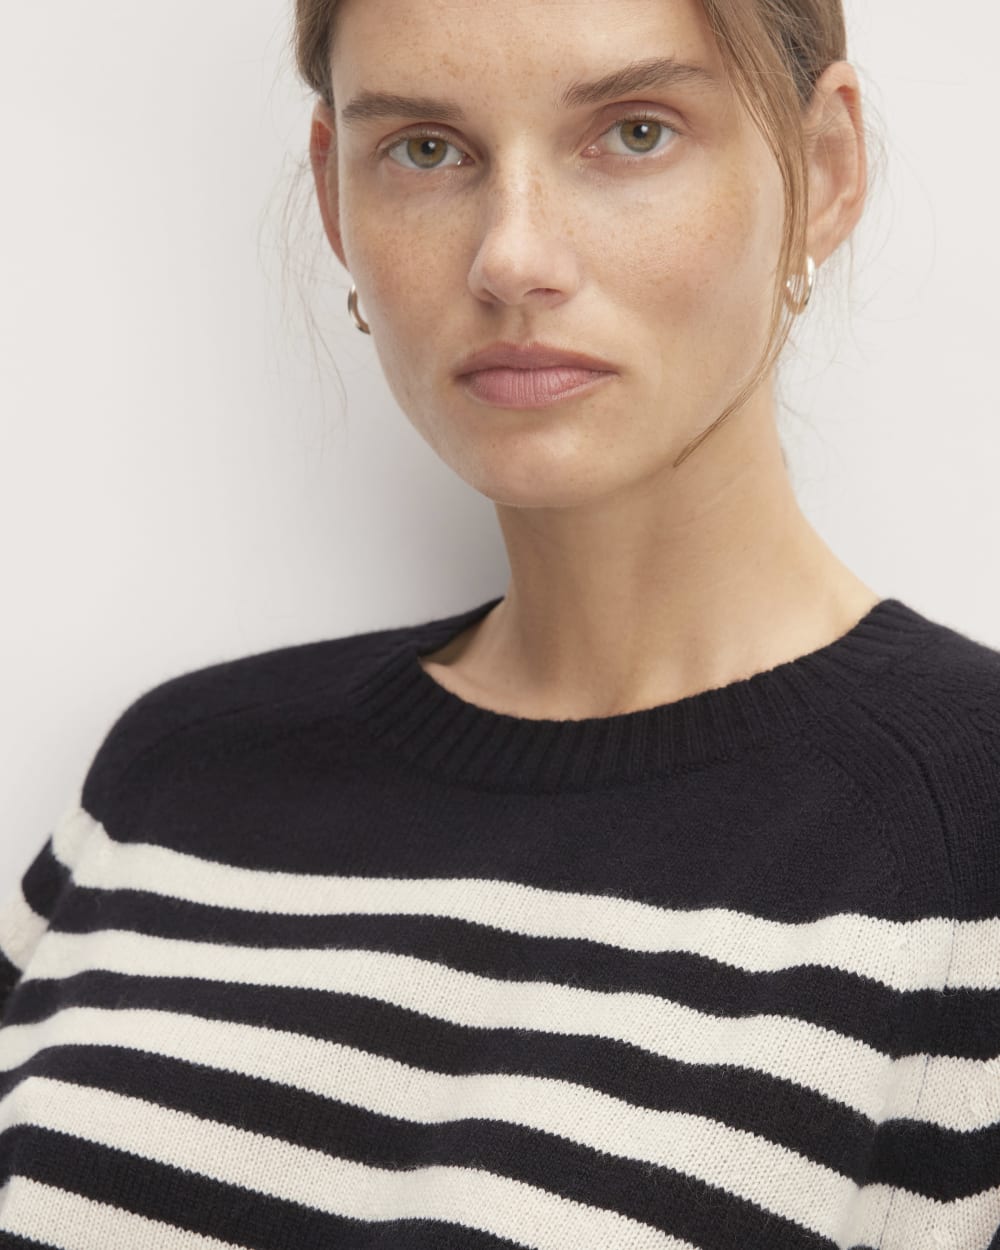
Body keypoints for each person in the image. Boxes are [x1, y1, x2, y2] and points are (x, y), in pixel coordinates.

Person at [1, 0, 998, 1246]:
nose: (512, 257)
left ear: (826, 169)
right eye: (425, 149)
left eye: (634, 131)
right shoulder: (169, 779)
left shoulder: (967, 837)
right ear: (336, 198)